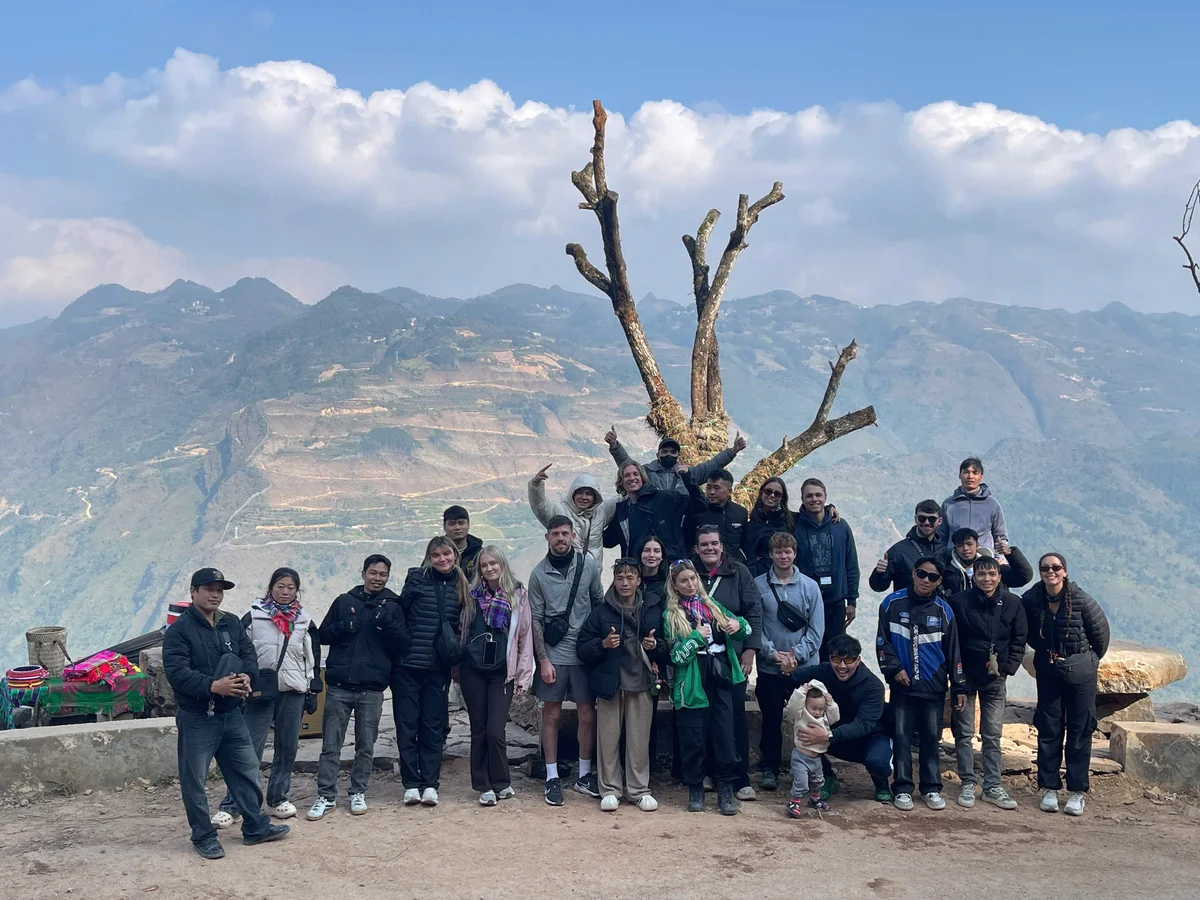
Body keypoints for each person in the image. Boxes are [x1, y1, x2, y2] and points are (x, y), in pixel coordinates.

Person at [163, 568, 290, 859]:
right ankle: (203, 835)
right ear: (193, 592)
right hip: (197, 717)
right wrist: (213, 685)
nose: (215, 594)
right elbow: (178, 673)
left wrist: (247, 676)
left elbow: (249, 656)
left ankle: (256, 826)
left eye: (219, 589)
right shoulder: (180, 631)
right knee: (195, 780)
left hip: (232, 714)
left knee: (246, 771)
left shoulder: (231, 623)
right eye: (208, 588)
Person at [215, 567, 322, 825]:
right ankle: (236, 803)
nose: (285, 592)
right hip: (259, 691)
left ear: (297, 591)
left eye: (291, 588)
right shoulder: (253, 617)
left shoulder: (304, 621)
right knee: (249, 747)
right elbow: (239, 652)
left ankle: (278, 797)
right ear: (270, 587)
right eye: (280, 586)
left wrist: (312, 687)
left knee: (287, 746)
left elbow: (311, 656)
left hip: (293, 689)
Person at [308, 555, 408, 821]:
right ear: (363, 573)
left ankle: (357, 791)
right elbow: (321, 634)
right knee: (331, 744)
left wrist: (387, 623)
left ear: (388, 577)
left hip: (372, 688)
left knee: (366, 744)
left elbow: (403, 643)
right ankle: (326, 795)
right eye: (373, 573)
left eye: (383, 574)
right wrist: (344, 626)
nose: (377, 578)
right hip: (340, 684)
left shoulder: (394, 606)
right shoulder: (344, 601)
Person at [1023, 552, 1110, 817]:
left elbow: (1101, 637)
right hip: (1049, 672)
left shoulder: (1082, 600)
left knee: (1080, 730)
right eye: (1046, 568)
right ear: (1040, 572)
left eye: (1056, 567)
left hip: (1081, 674)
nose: (1051, 572)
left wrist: (1087, 661)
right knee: (1048, 728)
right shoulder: (1032, 600)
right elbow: (1026, 632)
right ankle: (1048, 787)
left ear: (1065, 571)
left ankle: (1076, 790)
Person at [877, 557, 967, 812]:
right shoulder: (891, 604)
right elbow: (883, 643)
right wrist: (895, 670)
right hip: (902, 685)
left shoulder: (944, 610)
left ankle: (931, 788)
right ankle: (903, 788)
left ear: (939, 582)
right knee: (902, 737)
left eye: (933, 577)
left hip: (934, 686)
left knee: (930, 738)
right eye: (921, 573)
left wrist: (959, 686)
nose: (926, 580)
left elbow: (954, 651)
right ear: (913, 574)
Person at [576, 557, 666, 812]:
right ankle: (610, 789)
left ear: (639, 580)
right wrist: (602, 644)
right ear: (613, 581)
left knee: (639, 740)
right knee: (608, 739)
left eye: (630, 577)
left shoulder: (652, 608)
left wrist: (655, 646)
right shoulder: (602, 611)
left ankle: (638, 790)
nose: (624, 583)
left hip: (641, 682)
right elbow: (582, 647)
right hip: (610, 685)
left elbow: (667, 644)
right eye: (620, 577)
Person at [663, 559, 751, 816]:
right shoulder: (672, 615)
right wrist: (694, 638)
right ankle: (695, 788)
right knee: (693, 737)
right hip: (692, 679)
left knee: (724, 733)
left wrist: (737, 625)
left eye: (693, 579)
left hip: (719, 675)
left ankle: (725, 788)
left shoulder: (712, 606)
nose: (690, 584)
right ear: (675, 586)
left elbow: (743, 628)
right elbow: (676, 657)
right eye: (684, 581)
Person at [529, 515, 605, 806]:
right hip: (555, 654)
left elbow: (597, 603)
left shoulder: (587, 566)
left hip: (584, 653)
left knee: (587, 714)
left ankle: (584, 774)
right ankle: (551, 777)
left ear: (573, 536)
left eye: (565, 533)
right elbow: (536, 618)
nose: (560, 539)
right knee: (552, 715)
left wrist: (599, 646)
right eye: (555, 534)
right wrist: (543, 659)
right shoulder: (538, 575)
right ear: (547, 538)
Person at [947, 555, 1027, 811]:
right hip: (965, 676)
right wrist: (957, 678)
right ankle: (968, 782)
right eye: (981, 574)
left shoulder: (1013, 603)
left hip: (996, 677)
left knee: (992, 734)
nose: (986, 579)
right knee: (964, 733)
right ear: (973, 576)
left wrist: (1008, 668)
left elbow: (1019, 638)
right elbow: (952, 642)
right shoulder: (959, 603)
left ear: (999, 576)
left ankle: (992, 785)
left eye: (992, 574)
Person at [394, 536, 468, 808]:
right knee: (407, 725)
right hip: (408, 666)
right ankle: (411, 784)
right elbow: (400, 615)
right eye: (436, 555)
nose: (442, 559)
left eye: (446, 554)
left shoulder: (462, 585)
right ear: (429, 557)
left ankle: (430, 784)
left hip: (438, 668)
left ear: (455, 556)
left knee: (433, 727)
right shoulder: (416, 579)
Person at [692, 523, 762, 802]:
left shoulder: (738, 572)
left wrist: (750, 650)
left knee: (734, 716)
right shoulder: (690, 575)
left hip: (733, 657)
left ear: (722, 546)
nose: (710, 548)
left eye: (714, 543)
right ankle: (711, 772)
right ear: (696, 549)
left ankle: (740, 776)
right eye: (704, 544)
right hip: (699, 657)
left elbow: (754, 610)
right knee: (707, 717)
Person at [460, 545, 535, 806]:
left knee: (495, 730)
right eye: (484, 565)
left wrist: (524, 676)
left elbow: (525, 638)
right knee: (479, 728)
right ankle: (484, 785)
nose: (489, 568)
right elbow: (463, 631)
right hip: (473, 670)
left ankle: (502, 781)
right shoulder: (471, 596)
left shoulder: (517, 595)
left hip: (502, 672)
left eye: (494, 563)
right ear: (479, 570)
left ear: (502, 564)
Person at [753, 532, 824, 792]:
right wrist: (773, 654)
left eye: (788, 552)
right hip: (770, 666)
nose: (783, 556)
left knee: (809, 719)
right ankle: (769, 768)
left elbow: (817, 631)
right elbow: (755, 626)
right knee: (770, 719)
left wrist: (796, 657)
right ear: (771, 554)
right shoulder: (758, 586)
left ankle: (810, 769)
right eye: (778, 551)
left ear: (795, 554)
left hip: (804, 667)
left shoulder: (810, 587)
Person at [789, 634, 893, 802]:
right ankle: (826, 777)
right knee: (806, 734)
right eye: (837, 660)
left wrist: (828, 735)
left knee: (877, 761)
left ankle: (881, 783)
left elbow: (863, 724)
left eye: (849, 660)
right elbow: (794, 677)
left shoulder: (873, 686)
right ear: (830, 658)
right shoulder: (823, 671)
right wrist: (787, 670)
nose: (842, 666)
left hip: (870, 737)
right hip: (835, 737)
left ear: (858, 660)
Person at [792, 478, 860, 660]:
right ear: (802, 499)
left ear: (825, 497)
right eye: (809, 496)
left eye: (818, 495)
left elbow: (851, 564)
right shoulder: (794, 526)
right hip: (806, 603)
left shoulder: (841, 526)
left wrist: (851, 600)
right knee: (810, 652)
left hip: (836, 602)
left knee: (835, 654)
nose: (814, 499)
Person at [604, 425, 746, 497]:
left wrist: (732, 451)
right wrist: (615, 445)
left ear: (678, 455)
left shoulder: (689, 474)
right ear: (658, 454)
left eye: (673, 452)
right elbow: (627, 464)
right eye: (664, 452)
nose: (668, 455)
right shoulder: (647, 472)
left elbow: (712, 465)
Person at [602, 460, 699, 563]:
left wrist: (687, 477)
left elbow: (699, 504)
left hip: (667, 568)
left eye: (636, 474)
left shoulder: (665, 499)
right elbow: (608, 541)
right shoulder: (623, 511)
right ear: (621, 481)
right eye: (627, 475)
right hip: (637, 571)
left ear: (643, 478)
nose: (632, 478)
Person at [528, 464, 618, 566]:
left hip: (593, 577)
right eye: (579, 492)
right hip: (565, 576)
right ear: (573, 493)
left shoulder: (601, 511)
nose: (584, 497)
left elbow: (625, 496)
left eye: (588, 493)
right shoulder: (560, 511)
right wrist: (535, 485)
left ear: (595, 496)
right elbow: (541, 507)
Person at [784, 681, 839, 816]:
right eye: (813, 708)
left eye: (821, 709)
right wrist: (802, 691)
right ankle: (794, 801)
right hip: (801, 757)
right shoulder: (801, 715)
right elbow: (792, 706)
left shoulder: (824, 718)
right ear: (805, 705)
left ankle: (815, 800)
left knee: (818, 782)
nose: (817, 712)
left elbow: (835, 717)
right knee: (801, 782)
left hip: (816, 758)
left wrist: (830, 702)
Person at [869, 500, 944, 596]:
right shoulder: (899, 551)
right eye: (922, 518)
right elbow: (878, 587)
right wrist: (879, 573)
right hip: (907, 608)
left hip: (936, 608)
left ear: (940, 521)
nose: (926, 522)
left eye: (931, 519)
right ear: (915, 519)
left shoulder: (944, 551)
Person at [936, 457, 1008, 552]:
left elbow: (1000, 537)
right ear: (960, 475)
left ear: (981, 476)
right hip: (954, 558)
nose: (970, 476)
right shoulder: (949, 504)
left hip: (984, 559)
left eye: (975, 473)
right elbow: (941, 537)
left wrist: (1000, 557)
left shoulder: (992, 505)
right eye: (966, 472)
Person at [938, 527, 1033, 597]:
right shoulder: (947, 574)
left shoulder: (995, 569)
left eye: (969, 544)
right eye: (960, 545)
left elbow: (1024, 576)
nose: (965, 548)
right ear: (955, 548)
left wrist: (1010, 553)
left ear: (977, 545)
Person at [684, 469, 748, 563]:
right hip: (702, 567)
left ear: (729, 491)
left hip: (733, 567)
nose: (711, 492)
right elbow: (687, 543)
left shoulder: (740, 512)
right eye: (709, 487)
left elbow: (745, 544)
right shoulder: (696, 511)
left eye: (717, 488)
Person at [744, 477, 795, 577]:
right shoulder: (751, 526)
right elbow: (750, 558)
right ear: (762, 492)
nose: (772, 495)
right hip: (761, 580)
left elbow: (812, 513)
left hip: (788, 578)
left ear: (782, 498)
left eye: (777, 494)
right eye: (768, 491)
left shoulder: (791, 520)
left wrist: (829, 509)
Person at [443, 505, 484, 579]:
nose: (457, 528)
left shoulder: (479, 554)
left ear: (468, 525)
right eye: (452, 524)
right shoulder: (436, 553)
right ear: (444, 527)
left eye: (461, 523)